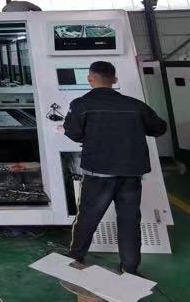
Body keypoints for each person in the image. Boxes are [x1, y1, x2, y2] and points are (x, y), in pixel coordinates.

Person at [63, 61, 167, 274]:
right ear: (115, 80)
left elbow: (73, 132)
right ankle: (130, 268)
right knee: (129, 220)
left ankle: (75, 258)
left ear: (90, 79)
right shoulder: (135, 105)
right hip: (131, 172)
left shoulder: (81, 104)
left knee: (88, 217)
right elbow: (159, 129)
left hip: (98, 172)